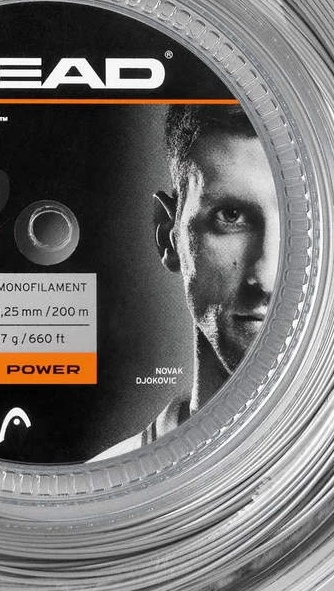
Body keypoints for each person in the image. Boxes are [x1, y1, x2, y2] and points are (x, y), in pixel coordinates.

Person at [96, 104, 280, 458]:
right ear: (169, 235)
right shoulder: (99, 486)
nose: (266, 277)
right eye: (231, 216)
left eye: (303, 217)